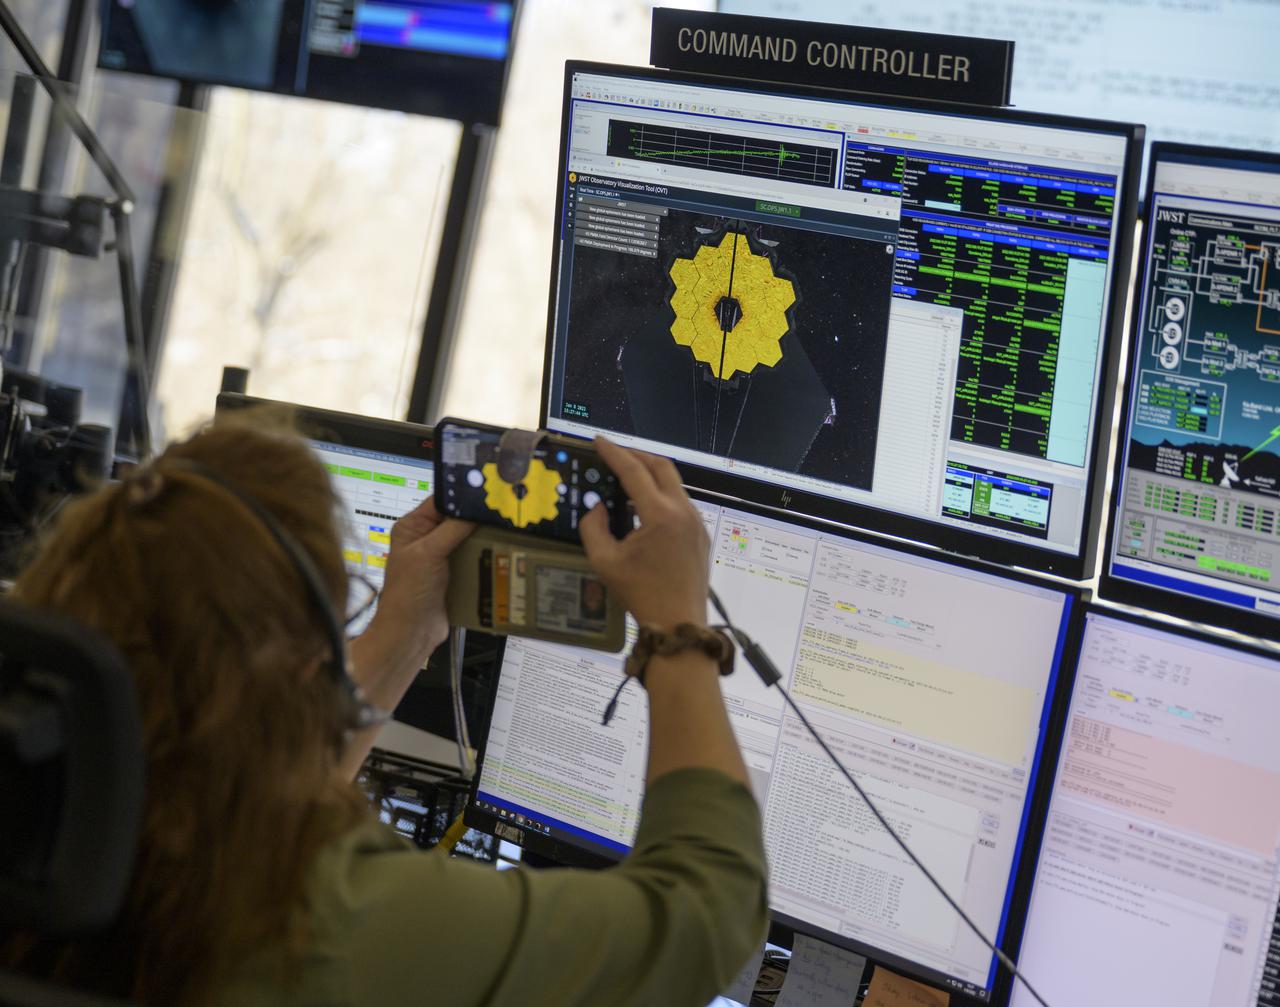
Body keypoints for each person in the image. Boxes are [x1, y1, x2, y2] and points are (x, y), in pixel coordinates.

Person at [0, 414, 768, 1006]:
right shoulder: (323, 917)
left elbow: (242, 785)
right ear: (300, 671)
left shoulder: (52, 822)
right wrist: (676, 629)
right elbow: (709, 912)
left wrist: (401, 634)